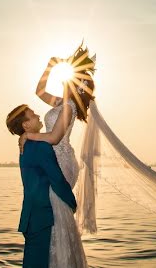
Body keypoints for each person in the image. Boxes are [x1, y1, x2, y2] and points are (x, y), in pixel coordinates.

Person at [19, 47, 96, 267]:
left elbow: (54, 138)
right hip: (54, 158)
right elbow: (39, 91)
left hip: (62, 161)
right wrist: (49, 66)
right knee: (54, 212)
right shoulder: (60, 103)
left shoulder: (69, 107)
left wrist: (28, 135)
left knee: (58, 211)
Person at [6, 104, 77, 268]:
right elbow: (57, 180)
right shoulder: (40, 146)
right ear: (26, 125)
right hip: (43, 217)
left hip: (32, 218)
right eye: (33, 115)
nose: (38, 116)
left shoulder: (26, 146)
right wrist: (72, 203)